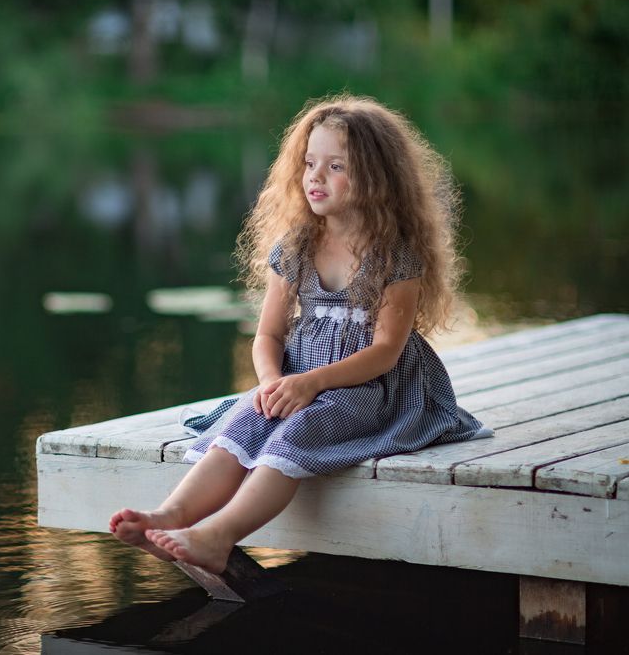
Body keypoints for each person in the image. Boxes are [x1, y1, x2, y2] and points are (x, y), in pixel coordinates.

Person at [109, 94, 493, 574]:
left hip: (371, 389)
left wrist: (310, 384)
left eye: (336, 166)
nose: (315, 176)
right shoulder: (297, 245)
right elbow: (267, 335)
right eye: (310, 163)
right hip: (296, 379)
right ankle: (172, 514)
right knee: (247, 420)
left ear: (378, 179)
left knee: (297, 431)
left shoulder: (396, 254)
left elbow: (385, 353)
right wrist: (271, 381)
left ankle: (217, 535)